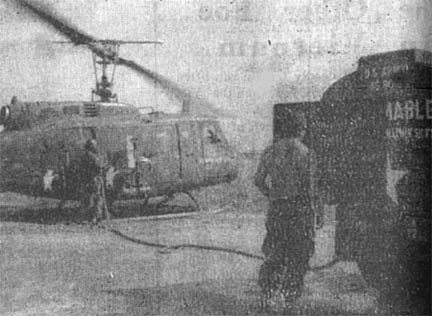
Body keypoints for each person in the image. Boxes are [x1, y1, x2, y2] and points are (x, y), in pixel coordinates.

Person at [254, 110, 319, 312]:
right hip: (298, 209)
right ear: (300, 129)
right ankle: (289, 300)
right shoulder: (305, 152)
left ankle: (267, 295)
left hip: (277, 208)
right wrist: (316, 213)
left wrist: (272, 195)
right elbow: (311, 189)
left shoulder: (270, 151)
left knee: (274, 251)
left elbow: (258, 180)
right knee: (299, 255)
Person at [81, 138, 110, 223]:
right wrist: (105, 163)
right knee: (97, 198)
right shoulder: (92, 156)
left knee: (89, 198)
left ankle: (88, 216)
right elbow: (100, 165)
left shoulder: (84, 155)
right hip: (94, 179)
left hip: (87, 179)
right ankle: (96, 217)